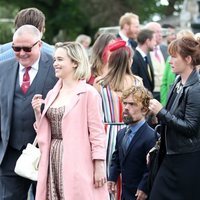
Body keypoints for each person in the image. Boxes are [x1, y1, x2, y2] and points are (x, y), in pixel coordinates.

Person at [31, 41, 108, 200]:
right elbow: (44, 132)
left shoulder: (88, 93)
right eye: (54, 60)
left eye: (60, 59)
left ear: (74, 62)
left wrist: (99, 165)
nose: (55, 64)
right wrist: (38, 113)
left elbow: (97, 133)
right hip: (51, 160)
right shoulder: (53, 93)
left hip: (78, 160)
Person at [0, 24, 57, 200]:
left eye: (27, 48)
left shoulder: (56, 68)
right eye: (16, 48)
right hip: (10, 152)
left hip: (44, 152)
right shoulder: (3, 68)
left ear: (39, 44)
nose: (22, 53)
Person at [148, 36, 200, 200]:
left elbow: (191, 128)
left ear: (188, 59)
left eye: (174, 56)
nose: (169, 61)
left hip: (185, 159)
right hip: (171, 155)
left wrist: (162, 112)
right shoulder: (178, 81)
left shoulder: (195, 89)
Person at [94, 39, 143, 200]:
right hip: (132, 133)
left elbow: (95, 113)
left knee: (108, 177)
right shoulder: (137, 82)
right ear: (128, 60)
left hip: (107, 133)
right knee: (129, 177)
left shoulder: (100, 82)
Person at [108, 85, 156, 200]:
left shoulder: (151, 136)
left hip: (140, 194)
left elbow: (152, 167)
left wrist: (144, 187)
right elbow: (116, 158)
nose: (126, 107)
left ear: (144, 109)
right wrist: (112, 177)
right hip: (125, 193)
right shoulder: (121, 134)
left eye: (132, 104)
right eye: (125, 103)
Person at [145, 22, 168, 101]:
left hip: (165, 91)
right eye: (157, 32)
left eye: (160, 31)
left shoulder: (166, 49)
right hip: (150, 93)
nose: (160, 34)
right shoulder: (144, 51)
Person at [131, 28, 157, 93]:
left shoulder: (145, 57)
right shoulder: (134, 58)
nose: (155, 43)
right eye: (154, 40)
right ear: (148, 41)